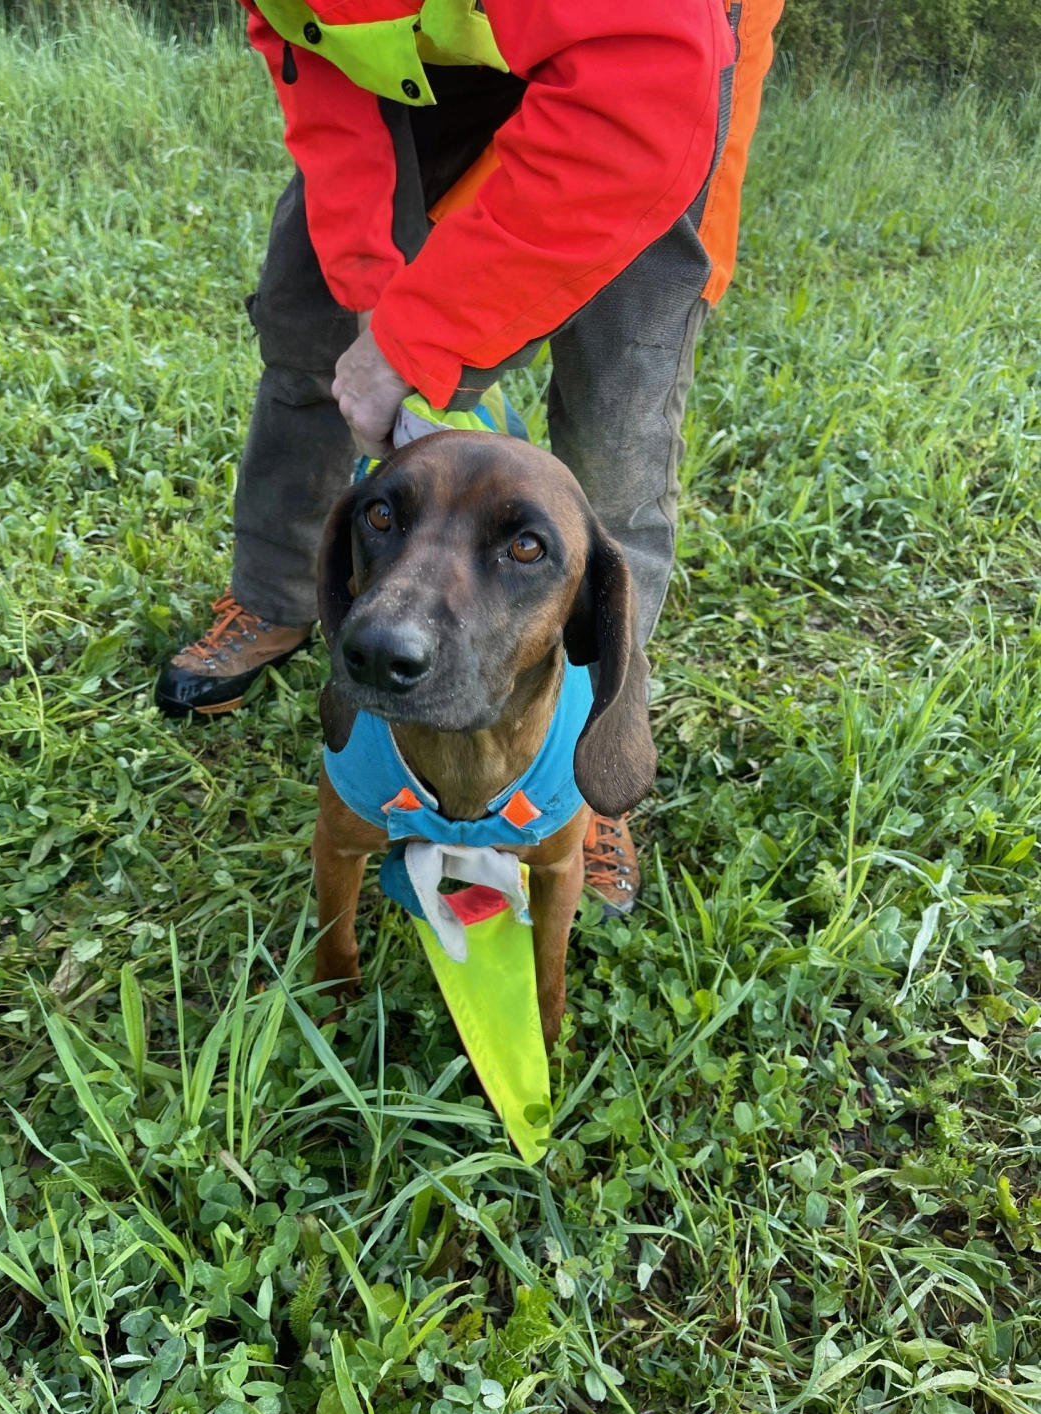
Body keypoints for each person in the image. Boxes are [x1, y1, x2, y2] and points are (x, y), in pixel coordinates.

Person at [156, 0, 784, 911]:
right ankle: (278, 599)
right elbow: (320, 63)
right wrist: (375, 293)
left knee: (619, 419)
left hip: (654, 64)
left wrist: (421, 336)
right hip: (416, 67)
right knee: (314, 325)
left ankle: (590, 754)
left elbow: (642, 82)